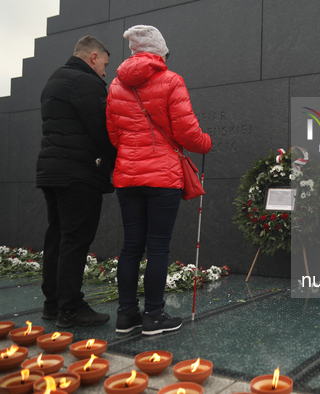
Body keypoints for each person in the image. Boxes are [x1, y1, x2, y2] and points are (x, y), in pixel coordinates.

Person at [106, 25, 212, 335]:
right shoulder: (171, 80)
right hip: (162, 177)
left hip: (126, 176)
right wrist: (206, 142)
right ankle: (153, 315)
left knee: (130, 247)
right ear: (160, 52)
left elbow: (114, 136)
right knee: (158, 248)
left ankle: (126, 316)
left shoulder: (115, 86)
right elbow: (187, 133)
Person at [37, 35, 116, 327]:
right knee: (75, 239)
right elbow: (102, 129)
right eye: (105, 64)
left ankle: (52, 303)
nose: (106, 73)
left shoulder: (53, 81)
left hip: (51, 171)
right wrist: (117, 161)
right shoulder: (85, 82)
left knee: (57, 236)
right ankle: (70, 307)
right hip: (79, 173)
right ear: (93, 57)